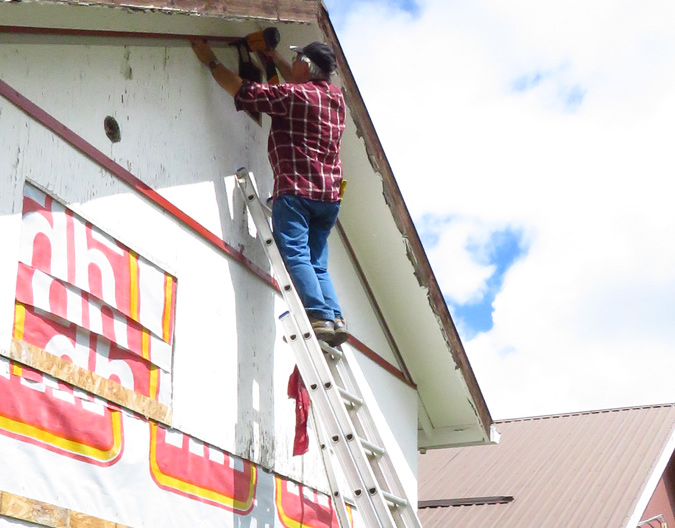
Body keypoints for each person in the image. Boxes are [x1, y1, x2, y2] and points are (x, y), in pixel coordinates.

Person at [191, 38, 348, 346]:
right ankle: (335, 318)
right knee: (317, 261)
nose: (295, 65)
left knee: (297, 253)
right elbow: (302, 81)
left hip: (297, 191)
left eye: (298, 59)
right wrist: (274, 56)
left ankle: (317, 314)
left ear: (306, 65)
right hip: (328, 197)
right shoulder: (335, 98)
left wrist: (211, 61)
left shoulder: (293, 96)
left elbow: (243, 91)